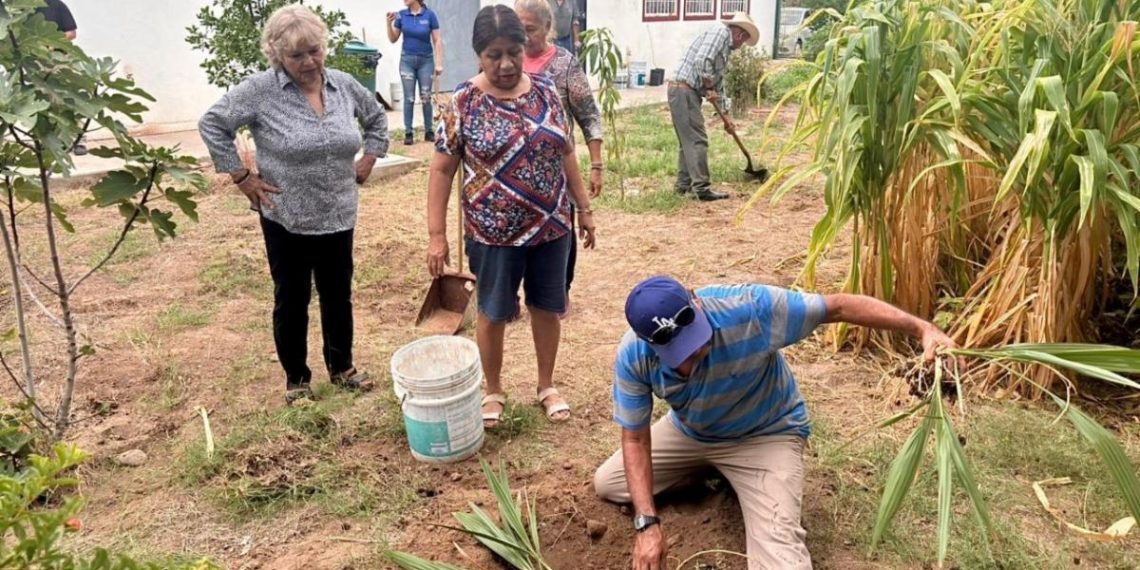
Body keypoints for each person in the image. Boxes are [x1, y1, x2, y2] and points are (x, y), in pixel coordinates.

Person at [594, 276, 958, 570]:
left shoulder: (752, 309)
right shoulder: (634, 355)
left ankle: (749, 477)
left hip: (765, 434)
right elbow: (636, 440)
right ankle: (717, 470)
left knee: (780, 559)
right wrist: (647, 524)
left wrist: (922, 329)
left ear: (697, 302)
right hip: (692, 432)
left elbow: (839, 306)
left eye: (694, 343)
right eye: (677, 356)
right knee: (609, 483)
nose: (689, 361)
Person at [198, 5, 387, 406]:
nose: (308, 62)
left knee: (338, 293)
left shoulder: (343, 85)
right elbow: (212, 123)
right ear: (277, 55)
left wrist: (370, 156)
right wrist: (240, 176)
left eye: (314, 51)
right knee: (292, 297)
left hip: (338, 210)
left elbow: (376, 118)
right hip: (287, 217)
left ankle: (343, 368)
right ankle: (297, 380)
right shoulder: (260, 91)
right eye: (296, 55)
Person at [426, 5, 597, 428]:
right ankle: (494, 389)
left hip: (551, 227)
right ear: (478, 55)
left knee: (547, 306)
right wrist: (436, 235)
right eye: (493, 55)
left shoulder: (545, 92)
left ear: (526, 49)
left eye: (514, 53)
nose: (505, 64)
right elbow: (442, 169)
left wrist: (584, 209)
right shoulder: (463, 101)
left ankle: (546, 384)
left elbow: (567, 153)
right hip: (492, 233)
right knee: (493, 311)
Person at [516, 0, 603, 319]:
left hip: (556, 171)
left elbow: (589, 115)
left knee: (560, 231)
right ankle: (513, 293)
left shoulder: (565, 64)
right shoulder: (506, 60)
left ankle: (558, 292)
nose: (523, 38)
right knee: (514, 231)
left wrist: (596, 165)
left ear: (548, 29)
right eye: (518, 29)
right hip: (513, 173)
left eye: (530, 30)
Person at [668, 13, 759, 202]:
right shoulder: (720, 33)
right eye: (743, 42)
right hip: (684, 90)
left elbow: (719, 86)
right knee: (697, 140)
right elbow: (702, 60)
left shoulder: (725, 50)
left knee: (688, 141)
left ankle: (683, 185)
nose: (740, 46)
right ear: (740, 35)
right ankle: (701, 188)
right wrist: (708, 87)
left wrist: (726, 116)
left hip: (686, 92)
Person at [387, 1, 444, 146]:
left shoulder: (430, 15)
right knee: (409, 98)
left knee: (426, 96)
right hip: (407, 61)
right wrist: (389, 24)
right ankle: (408, 132)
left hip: (426, 60)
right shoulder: (401, 15)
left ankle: (429, 130)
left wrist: (438, 63)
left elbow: (437, 40)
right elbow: (393, 39)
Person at [36, 0, 85, 155]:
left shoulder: (57, 5)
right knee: (42, 102)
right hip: (36, 61)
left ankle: (78, 141)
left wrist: (53, 42)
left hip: (59, 60)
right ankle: (49, 142)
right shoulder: (26, 8)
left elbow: (71, 32)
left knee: (67, 100)